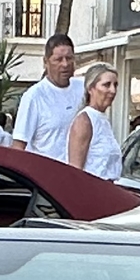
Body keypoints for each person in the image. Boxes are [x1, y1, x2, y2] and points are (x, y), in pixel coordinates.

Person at [11, 33, 84, 162]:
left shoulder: (84, 88)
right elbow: (19, 146)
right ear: (46, 62)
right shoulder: (34, 97)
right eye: (58, 59)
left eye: (69, 58)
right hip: (46, 176)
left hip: (79, 175)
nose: (65, 64)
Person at [66, 63, 123, 181]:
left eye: (115, 85)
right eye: (106, 85)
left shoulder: (103, 120)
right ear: (91, 88)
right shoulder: (84, 121)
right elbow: (75, 170)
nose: (112, 90)